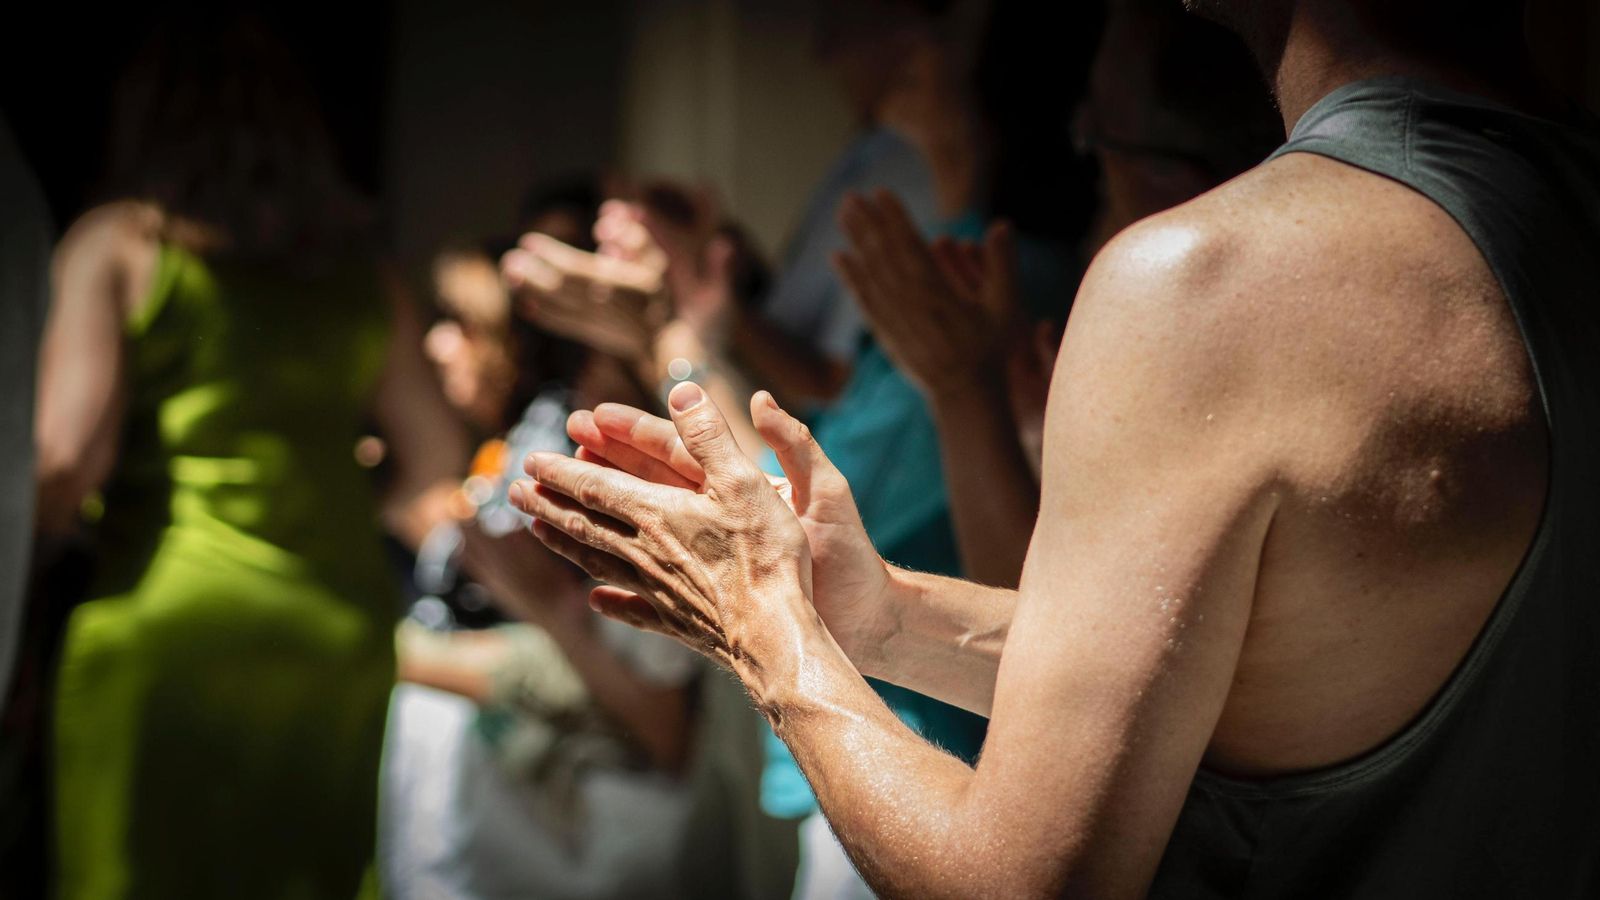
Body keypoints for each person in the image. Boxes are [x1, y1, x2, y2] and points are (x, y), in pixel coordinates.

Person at [511, 0, 1600, 895]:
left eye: (1103, 139)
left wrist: (762, 628)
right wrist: (883, 618)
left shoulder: (1206, 282)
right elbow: (1266, 663)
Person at [34, 19, 468, 898]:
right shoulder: (359, 272)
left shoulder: (118, 244)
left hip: (164, 620)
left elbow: (67, 458)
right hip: (333, 630)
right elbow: (436, 461)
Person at [833, 0, 1279, 586]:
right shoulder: (1004, 289)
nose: (913, 71)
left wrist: (963, 388)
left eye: (1098, 143)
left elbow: (1039, 630)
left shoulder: (1134, 308)